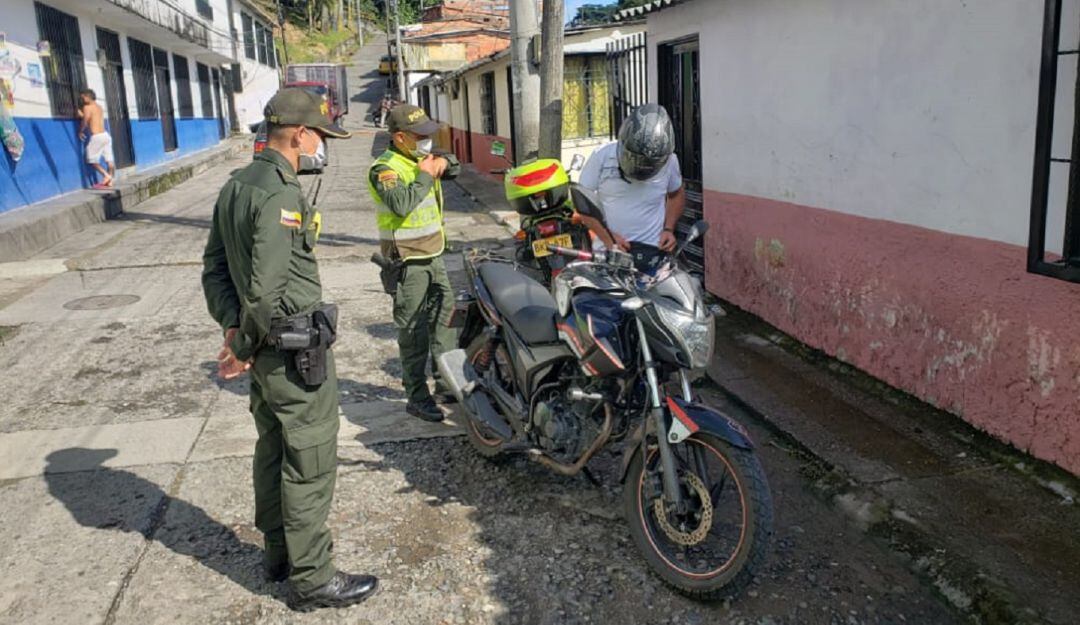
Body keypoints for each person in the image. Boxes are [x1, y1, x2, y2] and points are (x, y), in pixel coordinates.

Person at [201, 88, 378, 612]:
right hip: (292, 352)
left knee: (273, 450)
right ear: (299, 134)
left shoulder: (238, 185)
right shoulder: (280, 194)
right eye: (319, 134)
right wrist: (242, 344)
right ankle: (313, 578)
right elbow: (266, 290)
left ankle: (279, 556)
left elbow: (214, 269)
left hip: (266, 349)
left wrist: (232, 329)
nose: (322, 144)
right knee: (309, 460)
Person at [369, 104, 460, 422]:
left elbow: (454, 166)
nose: (426, 140)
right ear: (399, 138)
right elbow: (400, 203)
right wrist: (425, 175)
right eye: (419, 136)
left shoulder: (421, 159)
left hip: (434, 254)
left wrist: (444, 161)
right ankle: (417, 397)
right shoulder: (385, 168)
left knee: (445, 322)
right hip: (407, 262)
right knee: (413, 332)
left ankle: (447, 383)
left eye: (427, 135)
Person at [577, 103, 686, 274]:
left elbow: (676, 194)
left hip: (652, 254)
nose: (642, 166)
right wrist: (608, 238)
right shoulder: (602, 155)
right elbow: (582, 201)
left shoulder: (669, 161)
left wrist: (669, 229)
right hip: (608, 254)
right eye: (637, 159)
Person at [78, 89, 115, 189]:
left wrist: (80, 131)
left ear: (88, 97)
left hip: (97, 136)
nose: (82, 100)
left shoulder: (87, 107)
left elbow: (86, 120)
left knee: (91, 159)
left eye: (83, 98)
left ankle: (106, 176)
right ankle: (110, 180)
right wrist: (83, 115)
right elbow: (93, 117)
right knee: (109, 160)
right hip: (105, 135)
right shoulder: (99, 107)